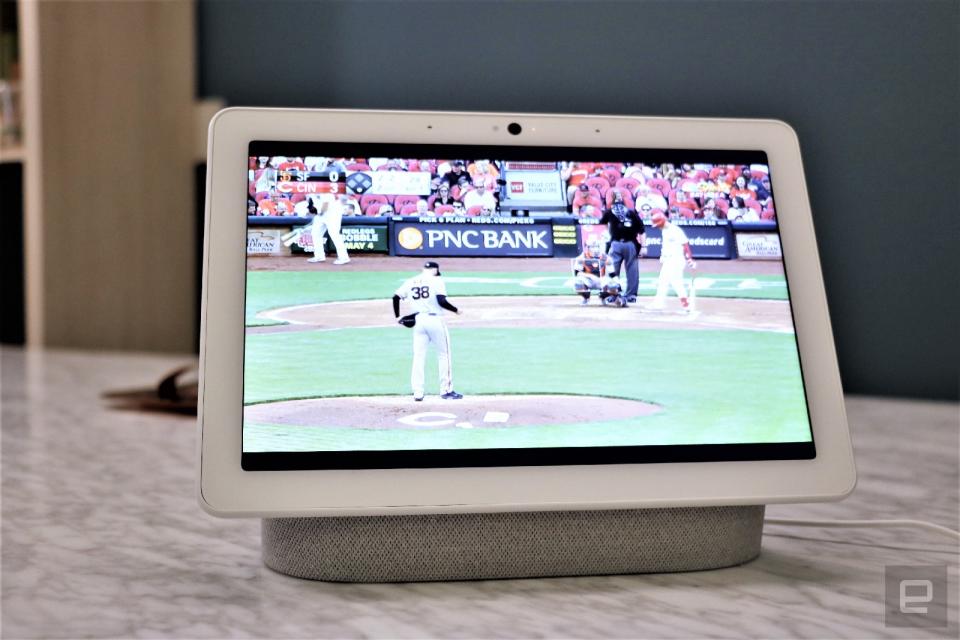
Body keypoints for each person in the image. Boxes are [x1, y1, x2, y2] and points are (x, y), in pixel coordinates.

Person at [392, 261, 463, 401]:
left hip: (418, 321)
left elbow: (396, 297)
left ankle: (417, 392)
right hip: (435, 320)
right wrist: (456, 310)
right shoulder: (437, 280)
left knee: (418, 357)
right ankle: (446, 390)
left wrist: (398, 317)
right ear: (435, 270)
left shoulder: (411, 281)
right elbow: (441, 301)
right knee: (444, 355)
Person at [599, 194, 645, 303]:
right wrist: (608, 234)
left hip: (629, 243)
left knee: (630, 270)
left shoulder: (630, 213)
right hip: (617, 243)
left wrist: (644, 246)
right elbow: (602, 223)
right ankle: (614, 293)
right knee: (613, 269)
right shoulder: (612, 212)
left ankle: (630, 295)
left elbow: (641, 230)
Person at [647, 211, 695, 311]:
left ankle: (660, 303)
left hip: (675, 260)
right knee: (673, 282)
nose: (657, 227)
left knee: (665, 281)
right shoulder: (664, 229)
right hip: (669, 260)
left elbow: (685, 244)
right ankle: (685, 303)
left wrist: (689, 259)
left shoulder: (674, 230)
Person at [306, 191, 351, 265]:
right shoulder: (311, 188)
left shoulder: (325, 188)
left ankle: (344, 257)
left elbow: (326, 204)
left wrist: (318, 212)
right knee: (315, 233)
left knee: (334, 234)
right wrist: (311, 208)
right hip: (320, 213)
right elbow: (311, 201)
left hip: (332, 213)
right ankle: (319, 256)